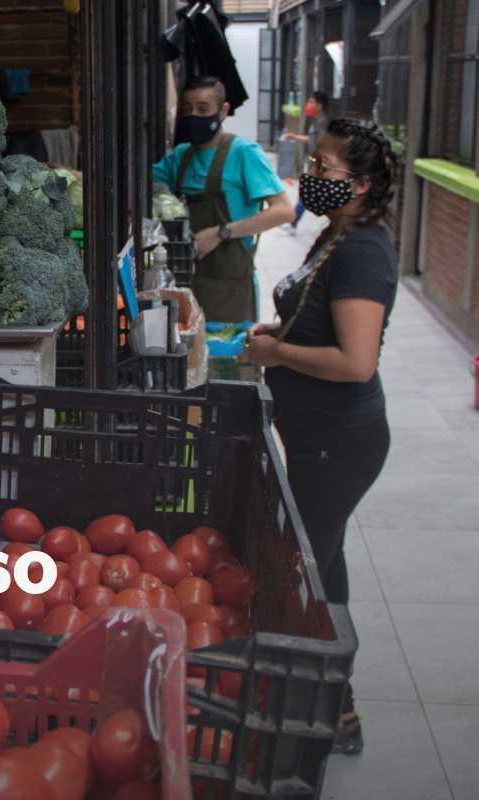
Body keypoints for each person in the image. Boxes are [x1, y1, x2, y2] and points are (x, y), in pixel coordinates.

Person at [246, 118, 400, 756]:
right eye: (311, 164)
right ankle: (335, 704)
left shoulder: (363, 251)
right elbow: (315, 319)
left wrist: (277, 355)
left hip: (340, 441)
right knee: (322, 565)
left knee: (302, 573)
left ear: (359, 185)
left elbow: (356, 362)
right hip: (316, 436)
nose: (309, 176)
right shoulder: (336, 234)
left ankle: (330, 708)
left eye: (323, 169)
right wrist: (279, 334)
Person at [152, 76, 295, 322]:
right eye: (187, 109)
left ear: (223, 111)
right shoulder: (181, 156)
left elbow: (283, 211)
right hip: (185, 280)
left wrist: (221, 233)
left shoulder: (243, 153)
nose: (194, 116)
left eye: (203, 109)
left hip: (229, 287)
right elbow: (141, 182)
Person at [282, 91, 331, 231]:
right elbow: (312, 139)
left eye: (311, 102)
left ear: (319, 105)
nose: (308, 104)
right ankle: (293, 223)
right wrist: (294, 136)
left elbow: (322, 145)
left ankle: (293, 223)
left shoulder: (322, 122)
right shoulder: (317, 120)